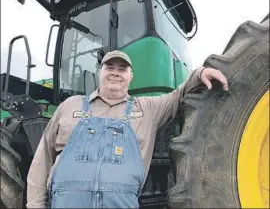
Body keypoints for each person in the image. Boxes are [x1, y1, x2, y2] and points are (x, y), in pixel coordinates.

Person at [26, 50, 228, 208]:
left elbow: (179, 94)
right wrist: (35, 205)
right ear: (100, 73)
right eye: (109, 67)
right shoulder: (70, 105)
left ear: (131, 76)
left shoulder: (147, 108)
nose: (115, 72)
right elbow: (42, 159)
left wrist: (200, 72)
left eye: (122, 69)